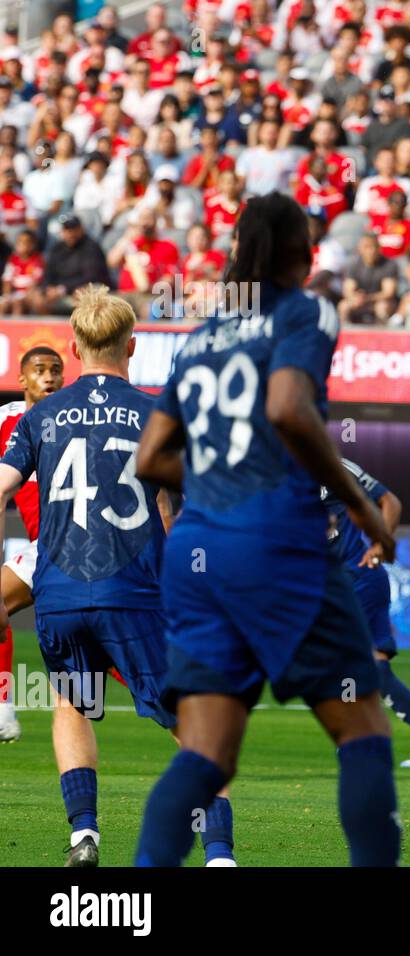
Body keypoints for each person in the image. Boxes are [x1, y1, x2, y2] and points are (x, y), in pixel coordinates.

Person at [132, 193, 399, 867]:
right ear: (300, 255)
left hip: (197, 551)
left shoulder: (200, 339)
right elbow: (287, 407)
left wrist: (220, 470)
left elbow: (151, 458)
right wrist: (363, 507)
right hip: (277, 543)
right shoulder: (305, 312)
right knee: (363, 729)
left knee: (206, 755)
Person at [0, 287, 235, 867]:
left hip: (56, 595)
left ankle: (84, 835)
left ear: (76, 349)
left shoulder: (39, 417)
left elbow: (2, 486)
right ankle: (220, 854)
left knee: (73, 706)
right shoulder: (159, 413)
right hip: (133, 592)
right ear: (133, 345)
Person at [324, 458, 410, 768]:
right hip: (336, 585)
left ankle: (364, 739)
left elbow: (389, 501)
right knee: (369, 666)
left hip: (357, 577)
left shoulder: (331, 464)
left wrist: (381, 543)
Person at [0, 346, 64, 743]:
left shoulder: (76, 419)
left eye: (56, 370)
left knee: (102, 640)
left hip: (77, 540)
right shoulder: (7, 420)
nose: (50, 377)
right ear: (21, 380)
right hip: (44, 546)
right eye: (39, 370)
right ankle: (4, 706)